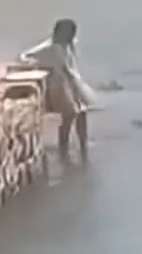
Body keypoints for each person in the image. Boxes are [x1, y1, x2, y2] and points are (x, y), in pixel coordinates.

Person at [19, 18, 95, 162]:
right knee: (70, 114)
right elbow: (24, 56)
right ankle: (63, 146)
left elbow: (70, 68)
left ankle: (83, 144)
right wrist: (38, 65)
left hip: (70, 83)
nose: (72, 35)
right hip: (58, 85)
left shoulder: (68, 47)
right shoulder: (51, 47)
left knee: (82, 113)